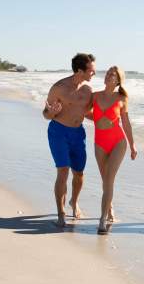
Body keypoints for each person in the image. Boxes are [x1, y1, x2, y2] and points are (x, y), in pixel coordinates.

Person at [43, 53, 95, 227]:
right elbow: (46, 114)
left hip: (78, 133)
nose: (93, 73)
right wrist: (52, 112)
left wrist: (105, 120)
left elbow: (86, 112)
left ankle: (74, 202)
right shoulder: (59, 88)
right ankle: (61, 213)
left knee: (79, 173)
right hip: (58, 131)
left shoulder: (88, 90)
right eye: (91, 70)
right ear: (80, 70)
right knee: (63, 171)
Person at [89, 66, 137, 234]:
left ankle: (102, 219)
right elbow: (83, 111)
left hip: (118, 141)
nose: (108, 76)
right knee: (105, 179)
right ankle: (109, 209)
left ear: (118, 80)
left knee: (109, 179)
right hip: (99, 142)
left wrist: (132, 145)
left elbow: (126, 123)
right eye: (108, 73)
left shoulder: (122, 98)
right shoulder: (94, 96)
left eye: (113, 75)